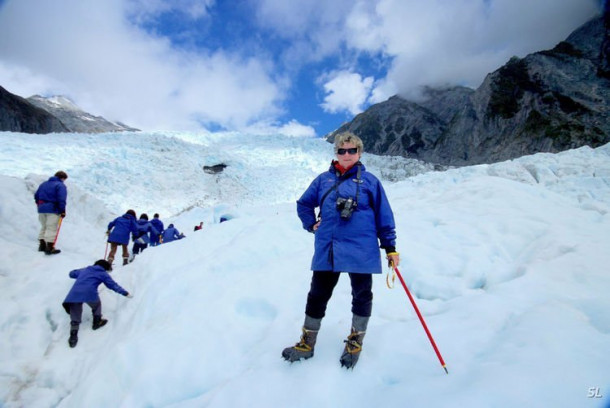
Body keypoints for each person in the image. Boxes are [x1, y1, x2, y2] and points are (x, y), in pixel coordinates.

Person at [282, 132, 400, 369]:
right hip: (329, 248)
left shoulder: (371, 182)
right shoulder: (323, 180)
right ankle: (307, 343)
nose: (346, 155)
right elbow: (304, 204)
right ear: (336, 152)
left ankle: (355, 342)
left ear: (359, 153)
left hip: (361, 248)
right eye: (341, 150)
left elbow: (383, 216)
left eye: (352, 151)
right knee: (317, 295)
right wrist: (310, 224)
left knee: (362, 295)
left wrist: (390, 248)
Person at [61, 259, 132, 348]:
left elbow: (71, 273)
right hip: (89, 293)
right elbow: (112, 285)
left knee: (75, 316)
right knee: (97, 305)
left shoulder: (86, 270)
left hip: (74, 294)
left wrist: (84, 270)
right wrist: (125, 293)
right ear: (105, 268)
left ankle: (73, 336)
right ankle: (97, 322)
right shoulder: (103, 274)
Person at [34, 170, 68, 255]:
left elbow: (36, 196)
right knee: (51, 227)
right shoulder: (60, 185)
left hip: (41, 208)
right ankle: (49, 247)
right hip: (53, 209)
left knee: (44, 226)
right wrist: (62, 210)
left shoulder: (43, 184)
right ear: (62, 178)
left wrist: (39, 205)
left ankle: (42, 245)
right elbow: (61, 199)